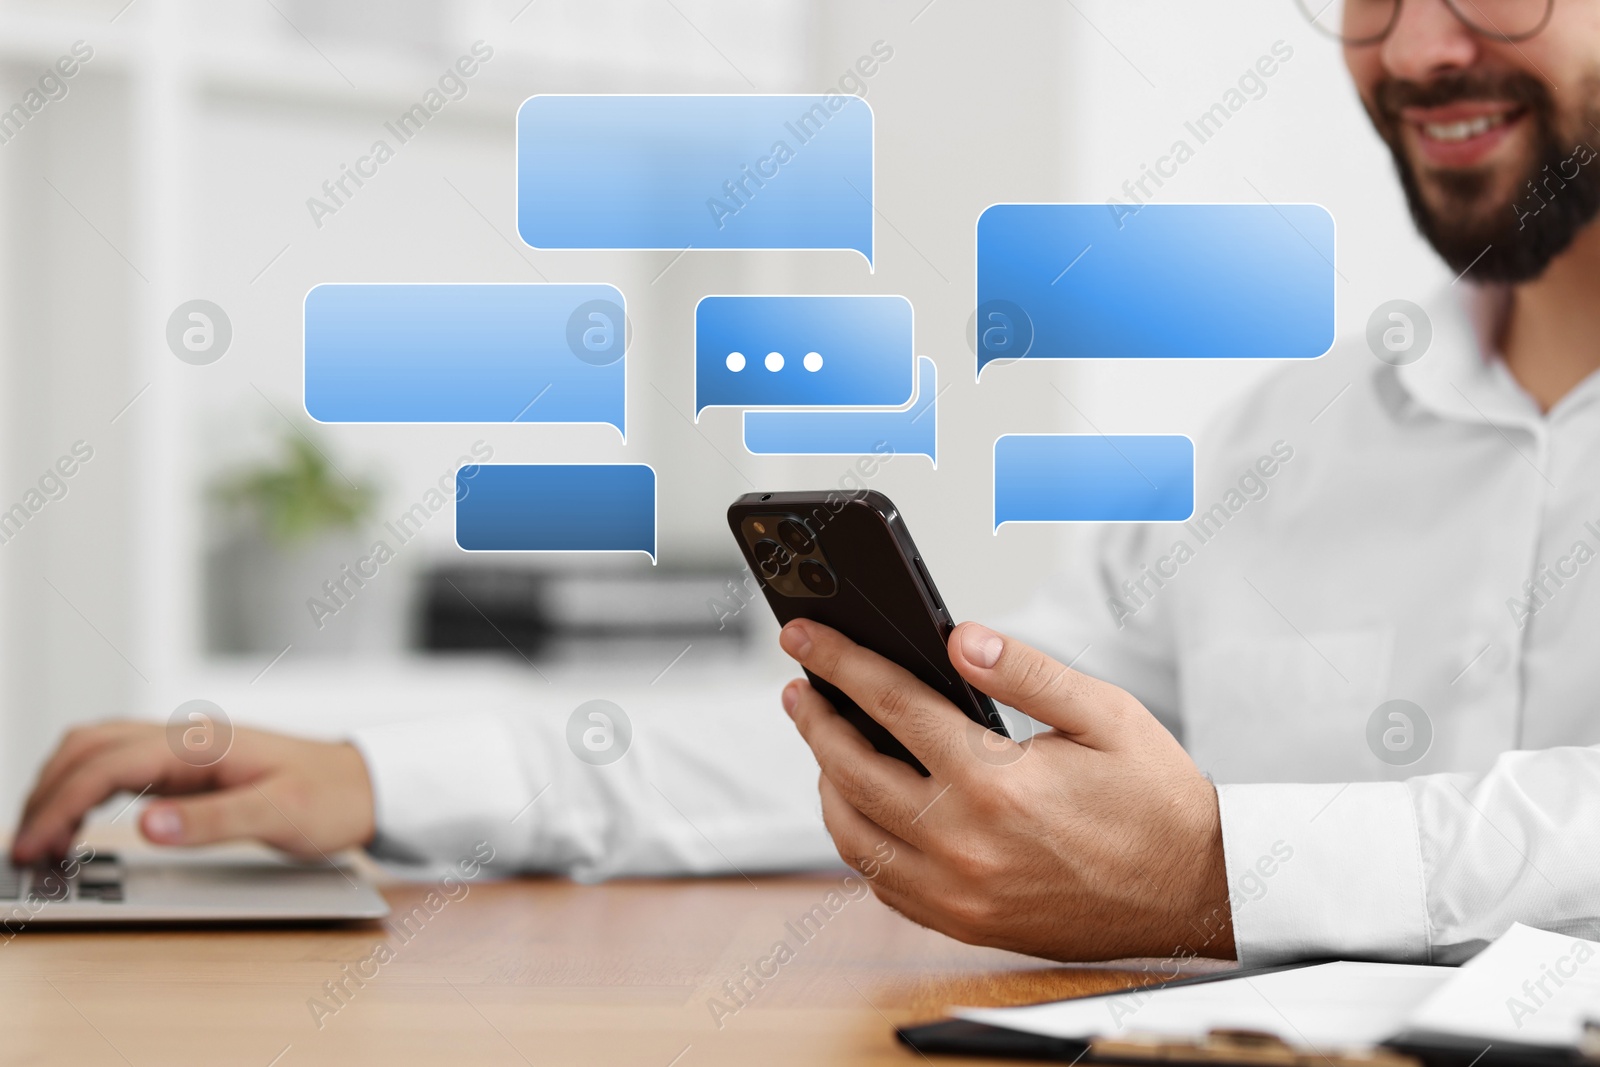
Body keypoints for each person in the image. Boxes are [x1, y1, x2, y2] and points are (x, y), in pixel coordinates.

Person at [14, 0, 1600, 966]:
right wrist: (391, 779)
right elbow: (916, 760)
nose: (1415, 47)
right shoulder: (1287, 440)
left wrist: (1204, 877)